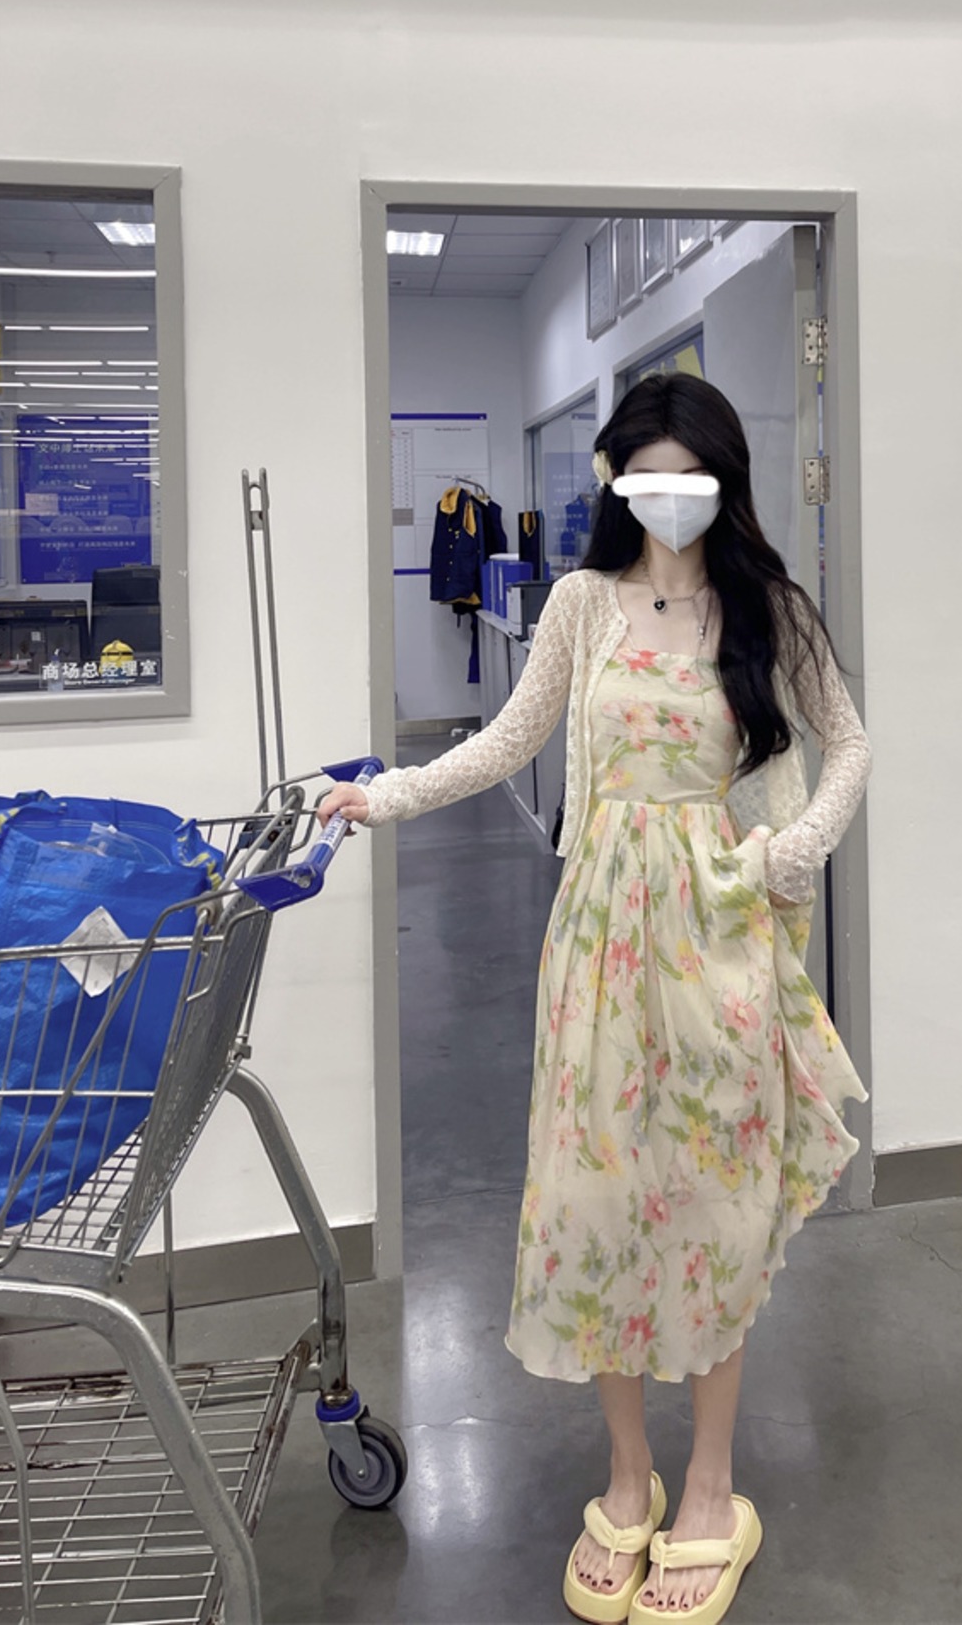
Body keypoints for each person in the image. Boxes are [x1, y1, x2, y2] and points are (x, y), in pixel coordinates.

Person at [319, 374, 871, 1625]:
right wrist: (387, 793)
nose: (669, 498)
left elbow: (847, 741)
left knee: (713, 1202)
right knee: (601, 1195)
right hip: (599, 941)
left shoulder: (767, 608)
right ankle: (629, 1478)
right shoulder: (578, 603)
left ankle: (711, 1488)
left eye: (692, 476)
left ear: (723, 481)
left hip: (719, 929)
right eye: (647, 476)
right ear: (615, 479)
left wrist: (796, 847)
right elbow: (511, 739)